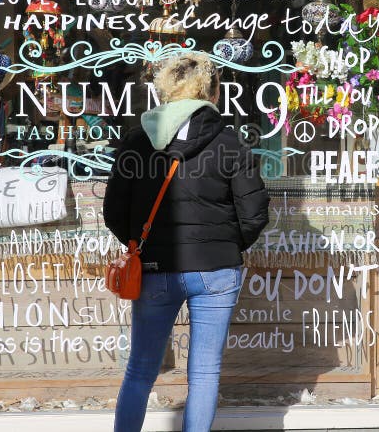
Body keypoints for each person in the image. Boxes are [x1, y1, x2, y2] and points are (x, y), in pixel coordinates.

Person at [104, 52, 270, 432]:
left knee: (141, 370)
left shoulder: (137, 140)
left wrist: (140, 245)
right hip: (217, 269)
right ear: (211, 92)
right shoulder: (229, 141)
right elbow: (254, 212)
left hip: (154, 269)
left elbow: (114, 211)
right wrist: (226, 245)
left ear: (165, 90)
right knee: (206, 373)